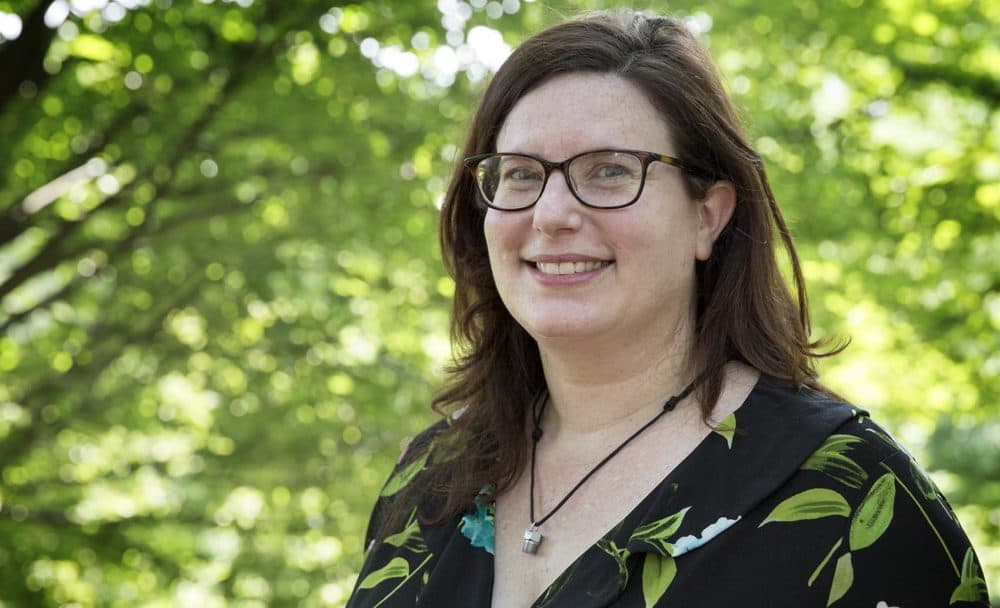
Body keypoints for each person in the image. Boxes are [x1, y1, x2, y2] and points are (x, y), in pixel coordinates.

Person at [346, 10, 990, 608]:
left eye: (608, 171)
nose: (550, 215)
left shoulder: (853, 493)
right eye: (519, 173)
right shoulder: (432, 477)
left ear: (707, 217)